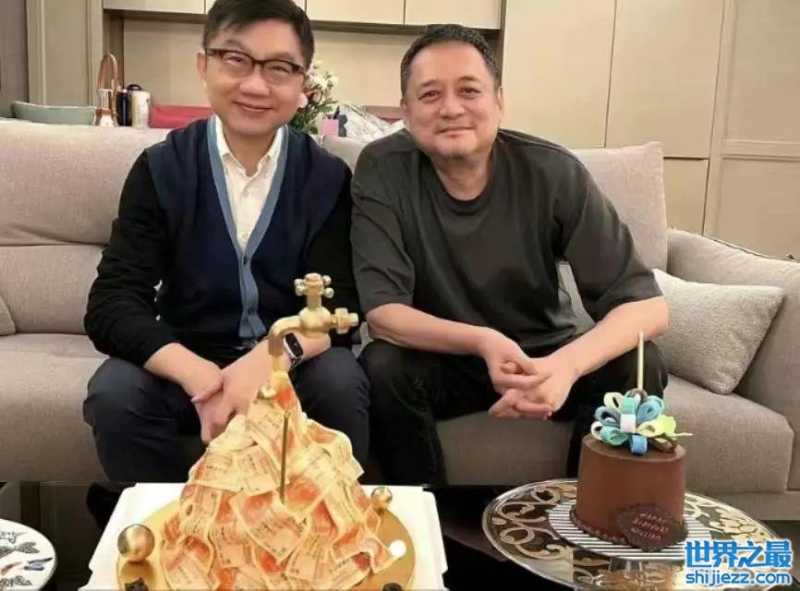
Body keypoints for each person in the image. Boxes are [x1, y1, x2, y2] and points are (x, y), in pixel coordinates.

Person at [352, 24, 669, 485]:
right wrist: (483, 341)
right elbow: (383, 315)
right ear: (406, 110)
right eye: (430, 94)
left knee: (641, 363)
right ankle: (423, 517)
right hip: (447, 358)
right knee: (382, 366)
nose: (451, 108)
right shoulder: (382, 169)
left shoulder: (553, 172)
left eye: (469, 90)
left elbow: (648, 307)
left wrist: (564, 367)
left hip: (545, 355)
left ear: (499, 100)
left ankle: (590, 515)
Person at [83, 0, 369, 482]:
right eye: (236, 60)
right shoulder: (162, 169)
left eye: (279, 68)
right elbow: (112, 305)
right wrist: (205, 379)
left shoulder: (326, 178)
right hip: (188, 362)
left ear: (303, 84)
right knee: (116, 392)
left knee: (341, 381)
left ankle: (323, 523)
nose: (255, 85)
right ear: (204, 65)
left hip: (290, 367)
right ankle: (163, 522)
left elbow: (340, 307)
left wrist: (267, 361)